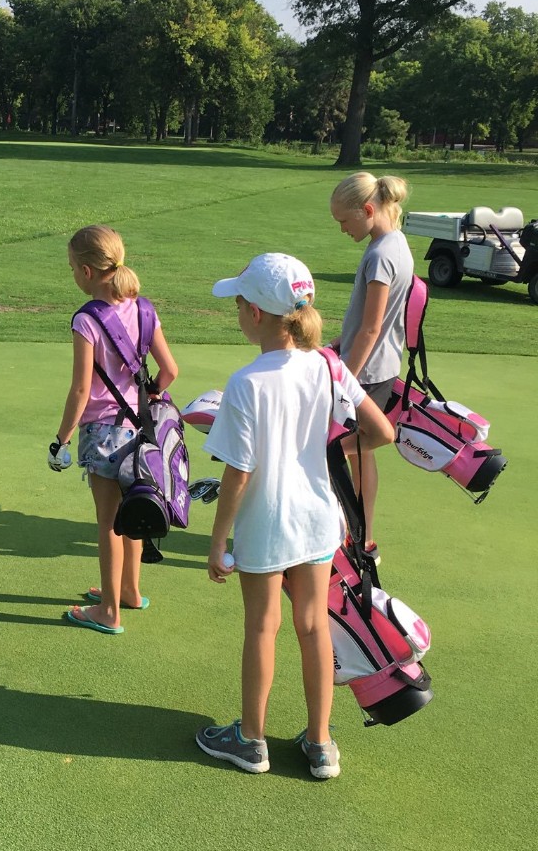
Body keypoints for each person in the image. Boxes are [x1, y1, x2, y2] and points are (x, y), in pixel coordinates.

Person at [195, 253, 394, 779]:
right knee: (312, 626)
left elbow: (238, 473)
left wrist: (218, 544)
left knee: (263, 626)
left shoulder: (246, 382)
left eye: (239, 302)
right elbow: (380, 434)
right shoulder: (328, 363)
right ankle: (321, 742)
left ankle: (251, 740)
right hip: (318, 519)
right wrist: (327, 451)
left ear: (257, 313)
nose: (236, 310)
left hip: (266, 521)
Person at [47, 225, 178, 635]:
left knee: (108, 523)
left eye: (72, 267)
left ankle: (109, 611)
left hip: (103, 434)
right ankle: (129, 592)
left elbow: (81, 389)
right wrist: (152, 393)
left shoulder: (86, 319)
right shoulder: (144, 308)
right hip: (141, 431)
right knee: (133, 510)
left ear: (87, 272)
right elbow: (171, 370)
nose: (72, 274)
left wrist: (61, 438)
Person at [329, 173, 413, 559]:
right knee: (361, 455)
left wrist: (342, 377)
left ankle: (346, 537)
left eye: (344, 222)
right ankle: (363, 537)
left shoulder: (380, 255)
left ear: (367, 210)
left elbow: (372, 327)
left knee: (331, 453)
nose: (343, 230)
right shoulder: (394, 242)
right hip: (379, 369)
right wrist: (338, 345)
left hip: (365, 373)